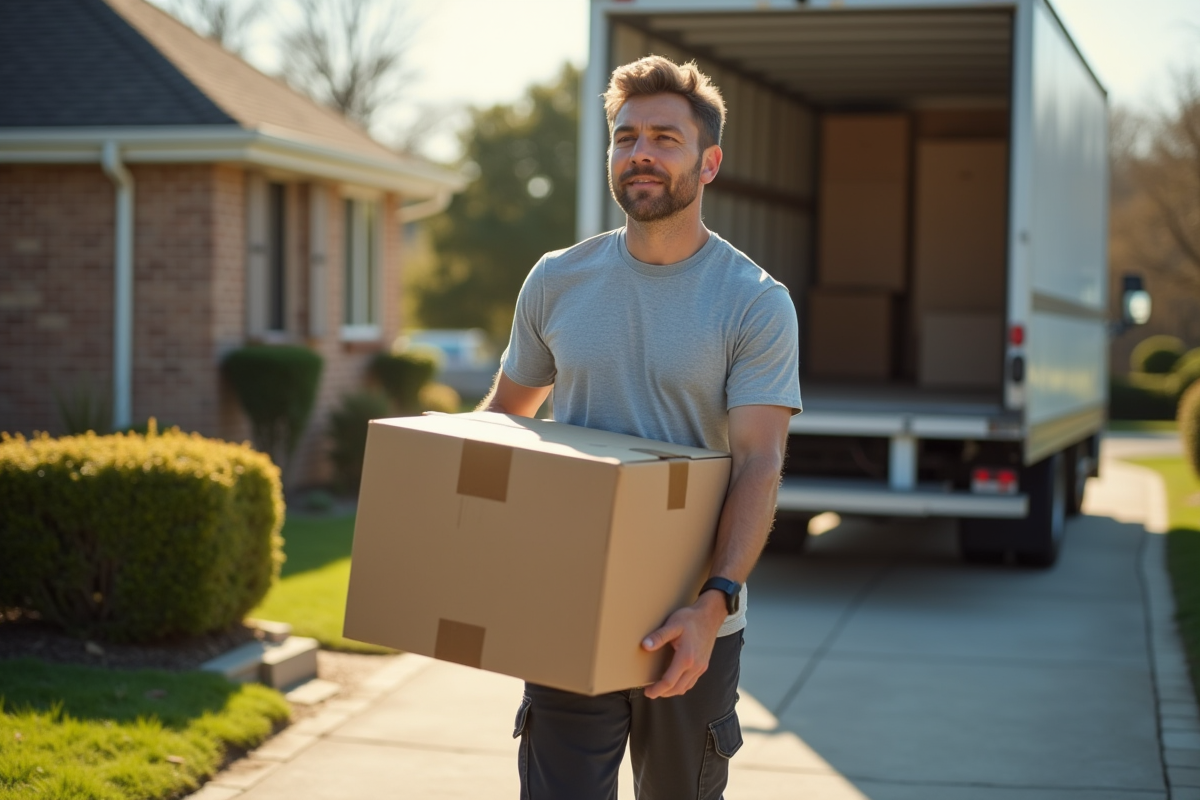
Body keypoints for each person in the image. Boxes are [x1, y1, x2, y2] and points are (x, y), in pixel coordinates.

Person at [479, 54, 802, 800]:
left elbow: (759, 462)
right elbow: (504, 423)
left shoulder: (753, 301)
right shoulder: (557, 278)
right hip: (569, 605)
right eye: (626, 138)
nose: (641, 154)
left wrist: (712, 601)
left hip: (692, 624)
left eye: (664, 138)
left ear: (708, 162)